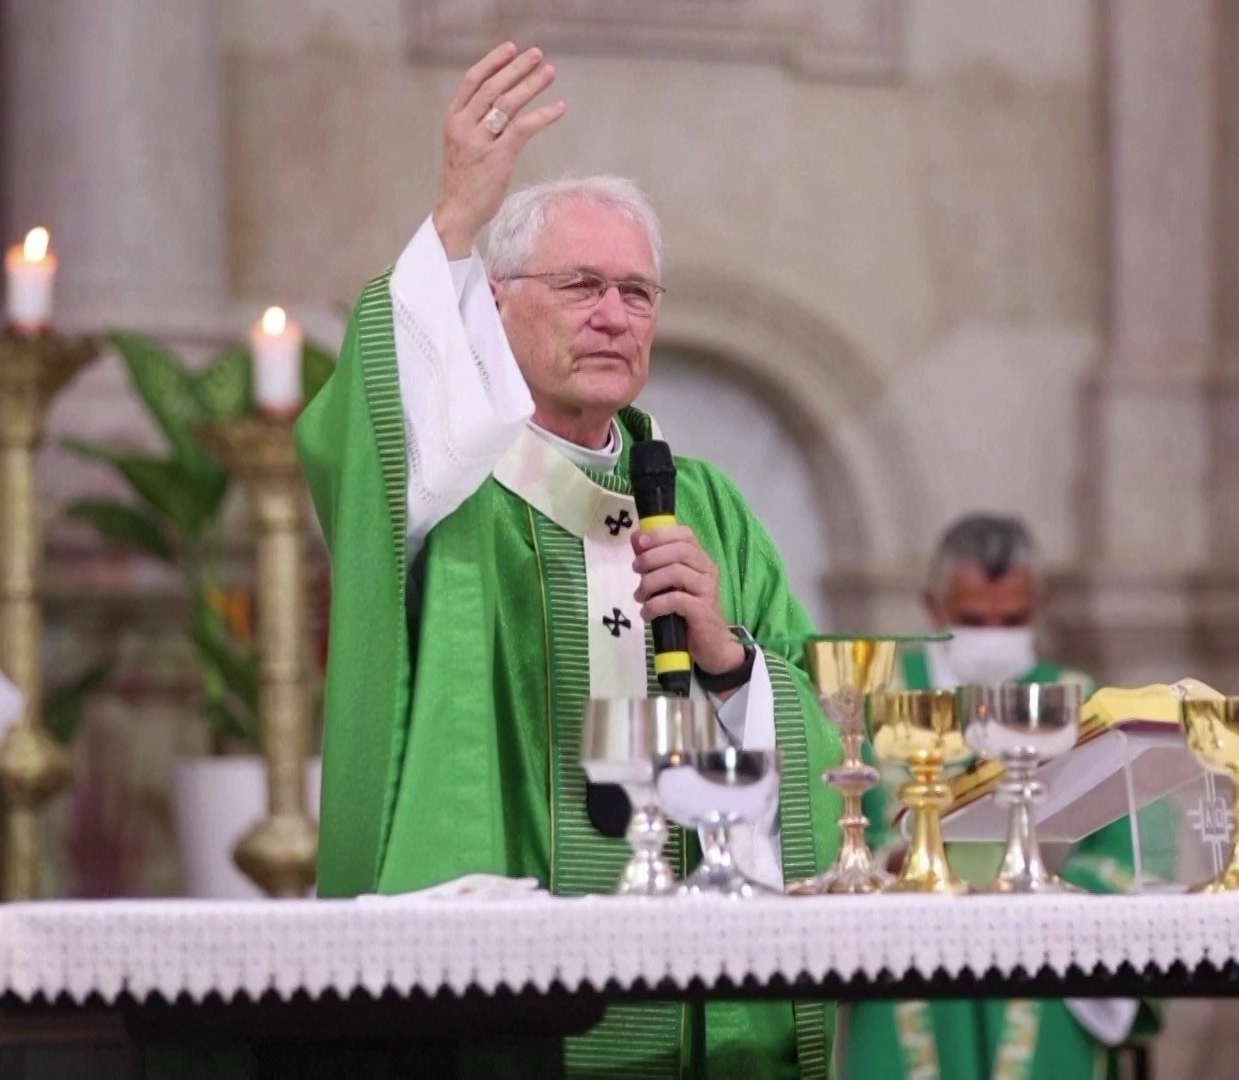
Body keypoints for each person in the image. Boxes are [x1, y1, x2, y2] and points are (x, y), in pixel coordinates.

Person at [296, 42, 838, 1078]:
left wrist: (730, 664)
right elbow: (364, 439)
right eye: (582, 284)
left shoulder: (709, 506)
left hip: (696, 1013)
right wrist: (454, 216)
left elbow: (828, 732)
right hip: (514, 1013)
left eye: (638, 292)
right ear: (493, 303)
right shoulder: (456, 492)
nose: (615, 315)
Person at [845, 515, 1157, 1080]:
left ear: (1039, 605)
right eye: (973, 620)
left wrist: (1054, 893)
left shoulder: (1078, 702)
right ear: (932, 606)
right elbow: (839, 828)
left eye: (1011, 620)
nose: (993, 634)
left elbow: (1129, 843)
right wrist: (887, 864)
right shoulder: (879, 697)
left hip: (1043, 962)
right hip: (904, 958)